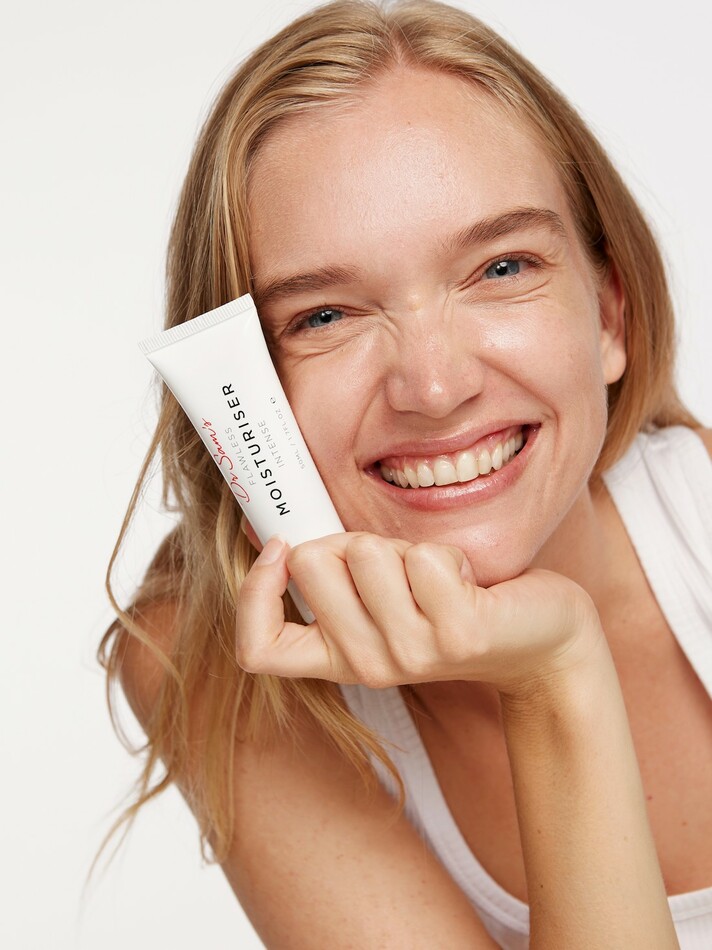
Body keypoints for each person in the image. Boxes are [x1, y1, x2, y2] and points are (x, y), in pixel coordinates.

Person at [97, 0, 712, 946]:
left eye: (501, 268)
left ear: (608, 316)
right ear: (244, 394)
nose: (434, 386)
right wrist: (555, 677)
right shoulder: (213, 661)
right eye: (325, 316)